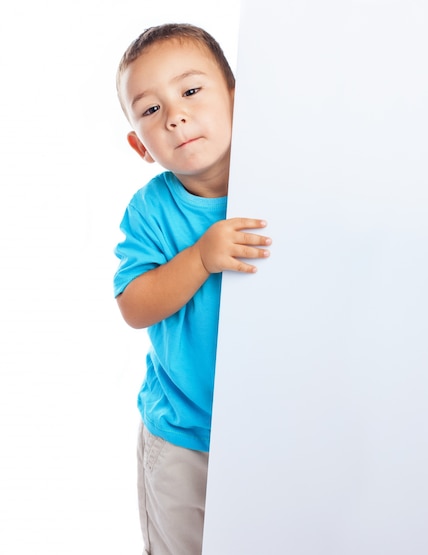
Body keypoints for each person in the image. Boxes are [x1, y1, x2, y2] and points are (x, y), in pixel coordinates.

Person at [113, 23, 271, 555]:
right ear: (140, 145)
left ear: (237, 99)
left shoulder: (281, 182)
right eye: (151, 111)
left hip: (272, 427)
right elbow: (134, 305)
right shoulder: (151, 210)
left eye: (190, 90)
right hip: (183, 431)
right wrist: (200, 258)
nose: (175, 115)